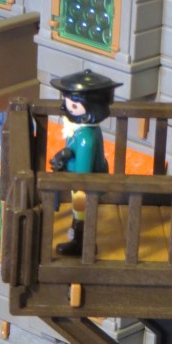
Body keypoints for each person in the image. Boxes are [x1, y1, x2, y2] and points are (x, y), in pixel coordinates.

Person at [48, 68, 121, 257]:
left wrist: (65, 163)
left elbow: (83, 171)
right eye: (67, 101)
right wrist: (65, 154)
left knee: (81, 213)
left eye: (74, 104)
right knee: (78, 212)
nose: (66, 107)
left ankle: (83, 244)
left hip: (84, 185)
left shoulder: (85, 138)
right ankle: (78, 241)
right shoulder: (80, 131)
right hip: (81, 184)